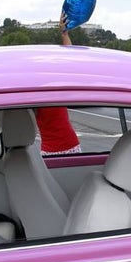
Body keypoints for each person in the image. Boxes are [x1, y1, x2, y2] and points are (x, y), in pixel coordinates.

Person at [36, 15, 82, 156]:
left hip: (49, 149)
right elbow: (71, 61)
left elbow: (70, 61)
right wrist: (64, 33)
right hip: (69, 144)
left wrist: (64, 33)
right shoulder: (57, 85)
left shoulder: (33, 91)